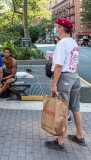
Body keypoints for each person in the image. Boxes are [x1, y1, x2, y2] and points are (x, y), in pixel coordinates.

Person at [45, 18, 86, 151]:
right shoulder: (74, 42)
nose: (55, 29)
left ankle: (60, 142)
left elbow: (58, 67)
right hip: (74, 76)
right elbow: (74, 62)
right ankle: (80, 136)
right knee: (75, 108)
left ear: (61, 29)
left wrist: (54, 84)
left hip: (65, 78)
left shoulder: (62, 44)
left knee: (62, 110)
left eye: (56, 27)